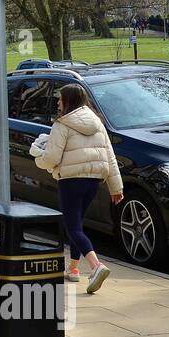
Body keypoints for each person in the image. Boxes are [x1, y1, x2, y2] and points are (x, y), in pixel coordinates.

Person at [33, 83, 122, 294]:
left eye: (60, 99)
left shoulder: (62, 124)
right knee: (77, 224)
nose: (57, 102)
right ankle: (73, 269)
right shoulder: (98, 123)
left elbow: (52, 158)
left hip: (71, 180)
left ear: (69, 101)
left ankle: (96, 266)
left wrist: (38, 157)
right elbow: (110, 156)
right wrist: (115, 187)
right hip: (94, 181)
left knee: (72, 227)